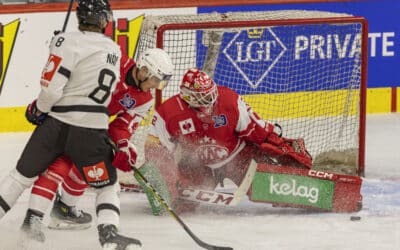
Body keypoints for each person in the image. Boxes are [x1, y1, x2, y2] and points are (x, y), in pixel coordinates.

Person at [0, 1, 146, 249]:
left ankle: (35, 220)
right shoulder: (114, 51)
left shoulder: (65, 41)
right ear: (104, 21)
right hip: (90, 129)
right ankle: (109, 235)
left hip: (56, 122)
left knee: (19, 178)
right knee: (107, 186)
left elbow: (52, 89)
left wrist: (39, 109)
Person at [27, 48, 173, 232]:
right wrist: (44, 104)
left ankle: (64, 208)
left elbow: (121, 127)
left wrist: (123, 146)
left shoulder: (144, 100)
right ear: (143, 71)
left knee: (93, 162)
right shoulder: (113, 61)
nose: (155, 86)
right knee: (53, 166)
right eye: (155, 80)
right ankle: (32, 220)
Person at [144, 68, 312, 214]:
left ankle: (310, 188)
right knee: (181, 205)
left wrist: (277, 142)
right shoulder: (169, 113)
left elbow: (255, 129)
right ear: (188, 98)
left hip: (238, 158)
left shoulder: (229, 101)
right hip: (196, 166)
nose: (210, 103)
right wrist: (168, 179)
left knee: (272, 187)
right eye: (203, 98)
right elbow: (156, 150)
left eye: (211, 95)